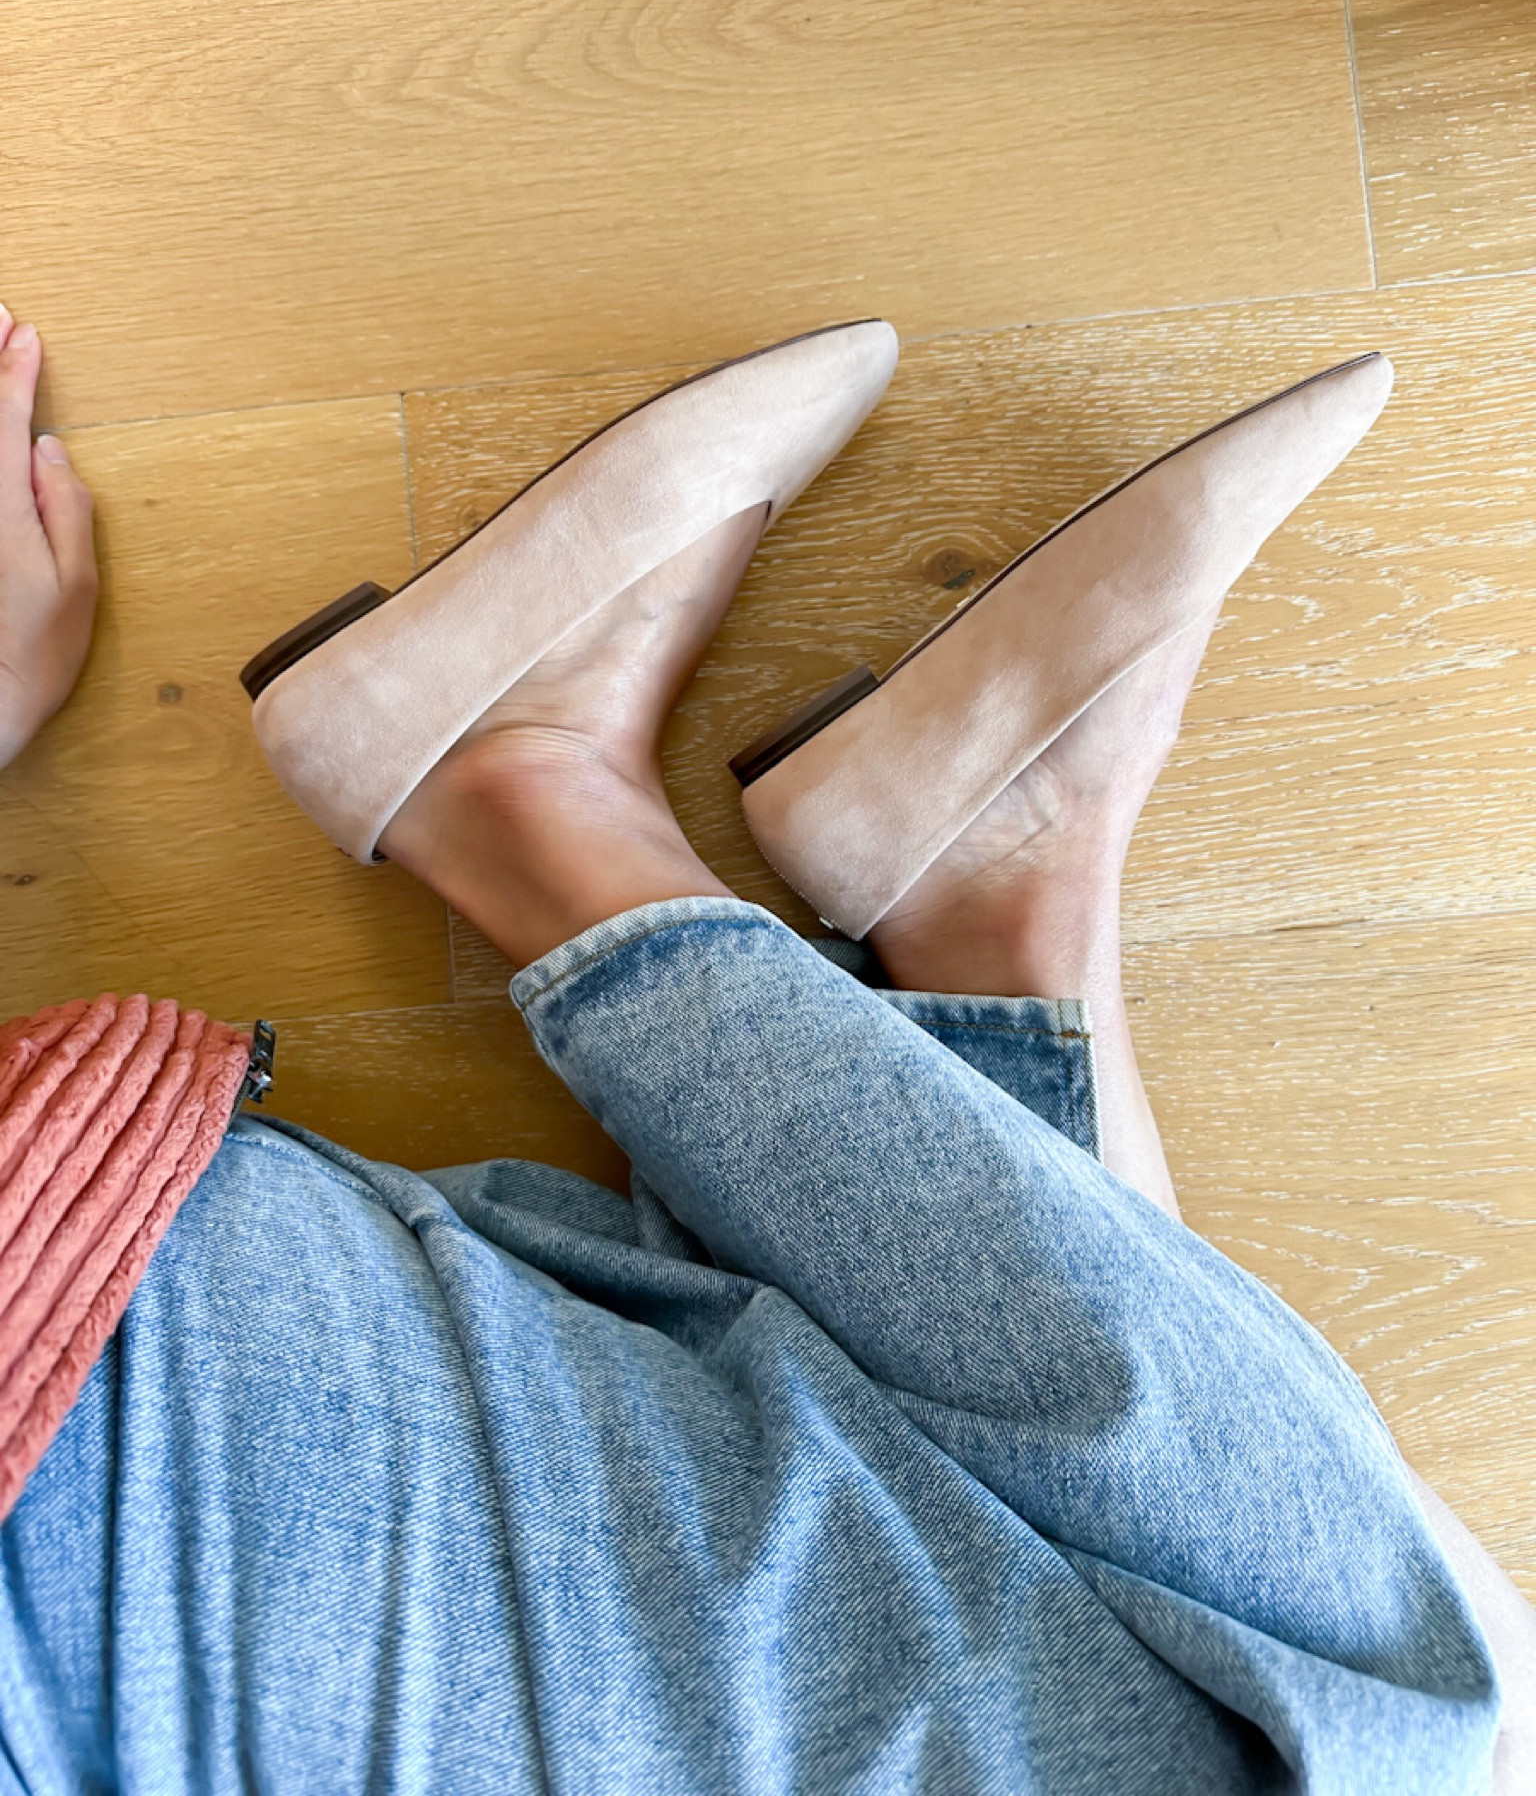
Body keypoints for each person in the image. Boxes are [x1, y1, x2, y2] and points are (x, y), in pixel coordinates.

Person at [0, 306, 1529, 1795]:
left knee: (1426, 1729)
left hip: (82, 1448)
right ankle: (971, 918)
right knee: (1421, 1744)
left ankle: (558, 808)